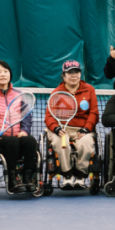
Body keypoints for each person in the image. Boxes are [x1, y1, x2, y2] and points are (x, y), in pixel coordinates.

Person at [0, 61, 39, 193]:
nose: (3, 74)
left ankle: (28, 179)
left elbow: (27, 117)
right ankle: (12, 181)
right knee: (11, 141)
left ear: (10, 75)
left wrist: (24, 131)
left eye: (6, 71)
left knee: (30, 141)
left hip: (18, 137)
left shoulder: (19, 95)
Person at [43, 60, 99, 189]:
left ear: (80, 74)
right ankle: (67, 175)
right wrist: (56, 128)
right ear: (63, 76)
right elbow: (49, 116)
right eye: (70, 73)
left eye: (76, 72)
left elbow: (94, 112)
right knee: (60, 143)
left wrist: (86, 129)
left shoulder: (89, 90)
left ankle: (80, 176)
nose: (74, 75)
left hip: (82, 128)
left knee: (86, 144)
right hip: (61, 128)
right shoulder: (56, 92)